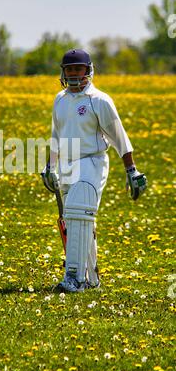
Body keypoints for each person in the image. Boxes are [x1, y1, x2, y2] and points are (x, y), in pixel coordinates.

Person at [41, 49, 147, 293]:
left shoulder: (99, 100)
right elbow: (56, 135)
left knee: (79, 214)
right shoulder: (60, 99)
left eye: (78, 69)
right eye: (70, 69)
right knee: (78, 219)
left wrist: (131, 170)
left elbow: (120, 137)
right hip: (66, 164)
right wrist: (50, 166)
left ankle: (74, 278)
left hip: (91, 161)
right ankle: (91, 279)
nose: (74, 74)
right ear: (63, 72)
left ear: (88, 70)